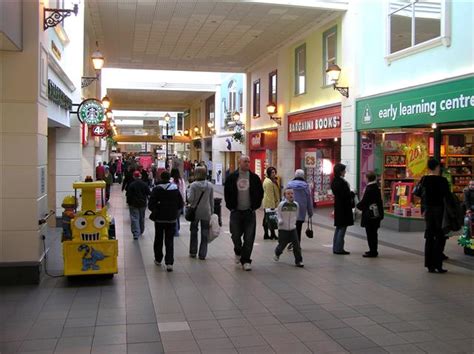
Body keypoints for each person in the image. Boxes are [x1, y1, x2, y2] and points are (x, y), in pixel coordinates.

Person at [224, 155, 264, 271]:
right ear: (239, 163)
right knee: (235, 235)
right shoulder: (232, 177)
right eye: (245, 161)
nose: (247, 163)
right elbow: (227, 192)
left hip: (249, 212)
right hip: (236, 212)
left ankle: (246, 260)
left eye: (248, 161)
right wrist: (231, 207)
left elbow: (260, 193)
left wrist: (255, 206)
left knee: (249, 237)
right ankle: (238, 250)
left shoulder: (254, 178)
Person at [420, 158, 451, 273]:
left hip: (428, 211)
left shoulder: (424, 179)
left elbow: (419, 193)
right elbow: (448, 196)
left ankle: (429, 265)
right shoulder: (442, 181)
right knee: (440, 237)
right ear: (437, 167)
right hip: (439, 211)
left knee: (429, 237)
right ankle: (438, 264)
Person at [148, 171, 184, 272]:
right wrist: (174, 212)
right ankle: (169, 263)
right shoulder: (175, 189)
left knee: (158, 239)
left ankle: (158, 259)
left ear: (161, 178)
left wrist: (156, 210)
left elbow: (150, 205)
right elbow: (180, 204)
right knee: (169, 240)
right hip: (171, 219)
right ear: (169, 178)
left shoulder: (156, 189)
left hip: (159, 219)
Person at [187, 166, 214, 260]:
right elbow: (211, 201)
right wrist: (212, 212)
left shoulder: (193, 185)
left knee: (194, 231)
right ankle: (202, 254)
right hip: (206, 211)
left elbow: (190, 199)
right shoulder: (209, 185)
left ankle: (193, 251)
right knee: (205, 233)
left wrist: (187, 192)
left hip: (195, 211)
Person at [273, 188, 304, 267]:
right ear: (285, 195)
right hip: (283, 229)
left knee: (296, 245)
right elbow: (278, 214)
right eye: (288, 193)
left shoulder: (296, 204)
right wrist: (280, 220)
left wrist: (294, 223)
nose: (290, 195)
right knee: (282, 245)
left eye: (292, 193)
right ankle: (277, 252)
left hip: (293, 229)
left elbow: (296, 215)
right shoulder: (281, 204)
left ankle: (299, 261)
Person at [356, 171, 384, 257]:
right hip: (376, 214)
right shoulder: (376, 188)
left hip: (370, 215)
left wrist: (357, 205)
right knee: (374, 233)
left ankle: (373, 251)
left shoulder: (369, 189)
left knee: (370, 233)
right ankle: (373, 250)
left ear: (367, 178)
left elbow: (365, 202)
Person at [331, 163, 354, 255]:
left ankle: (336, 247)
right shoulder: (342, 182)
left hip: (338, 206)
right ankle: (339, 248)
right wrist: (352, 194)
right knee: (342, 228)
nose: (345, 172)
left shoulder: (334, 181)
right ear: (340, 171)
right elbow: (345, 196)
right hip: (344, 208)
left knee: (339, 227)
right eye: (344, 170)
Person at [287, 169, 314, 247]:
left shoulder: (289, 185)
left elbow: (285, 197)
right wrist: (310, 212)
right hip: (301, 210)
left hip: (290, 208)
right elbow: (309, 200)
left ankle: (292, 242)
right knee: (298, 227)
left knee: (291, 226)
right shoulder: (306, 186)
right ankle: (297, 243)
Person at [126, 171, 150, 240]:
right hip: (142, 203)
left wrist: (129, 203)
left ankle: (136, 233)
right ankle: (141, 230)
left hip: (133, 204)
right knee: (142, 218)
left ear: (134, 176)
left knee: (134, 218)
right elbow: (148, 193)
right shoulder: (144, 184)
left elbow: (128, 195)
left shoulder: (131, 185)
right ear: (140, 176)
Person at [262, 167, 280, 240]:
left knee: (268, 218)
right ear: (269, 173)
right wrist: (272, 206)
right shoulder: (269, 182)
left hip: (270, 202)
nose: (274, 174)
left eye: (274, 172)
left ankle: (269, 234)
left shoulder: (272, 180)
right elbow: (270, 195)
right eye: (272, 172)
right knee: (269, 219)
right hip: (269, 203)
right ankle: (269, 234)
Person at [171, 168, 186, 236]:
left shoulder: (171, 180)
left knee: (174, 216)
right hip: (180, 200)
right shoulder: (182, 180)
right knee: (178, 216)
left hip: (173, 200)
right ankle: (177, 229)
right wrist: (184, 200)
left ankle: (176, 230)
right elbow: (183, 191)